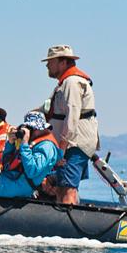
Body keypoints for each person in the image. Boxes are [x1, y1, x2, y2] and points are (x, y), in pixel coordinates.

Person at [40, 45, 99, 205]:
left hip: (73, 145)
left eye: (50, 62)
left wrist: (62, 149)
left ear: (63, 62)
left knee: (67, 189)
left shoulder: (72, 83)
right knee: (61, 187)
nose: (47, 65)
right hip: (69, 145)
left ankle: (66, 226)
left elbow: (71, 117)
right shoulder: (64, 83)